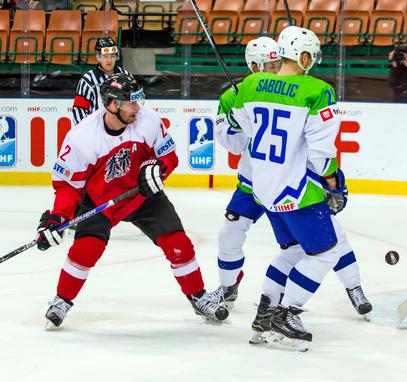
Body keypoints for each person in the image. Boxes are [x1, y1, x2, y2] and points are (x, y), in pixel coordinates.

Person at [36, 73, 228, 329]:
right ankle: (61, 300)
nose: (138, 108)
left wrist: (158, 168)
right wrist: (59, 217)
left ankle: (198, 296)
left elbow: (169, 155)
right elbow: (68, 186)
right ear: (113, 104)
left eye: (138, 101)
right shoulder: (82, 137)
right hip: (99, 200)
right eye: (131, 103)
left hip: (141, 194)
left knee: (179, 244)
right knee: (85, 250)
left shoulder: (147, 121)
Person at [211, 36, 372, 322]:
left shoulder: (250, 90)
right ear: (253, 65)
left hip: (279, 181)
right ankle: (231, 289)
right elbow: (235, 144)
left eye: (277, 60)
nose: (274, 67)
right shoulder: (240, 93)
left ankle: (354, 287)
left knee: (331, 238)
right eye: (268, 63)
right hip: (258, 182)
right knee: (232, 233)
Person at [72, 37, 129, 124]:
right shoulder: (88, 80)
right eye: (105, 56)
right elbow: (79, 110)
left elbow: (132, 103)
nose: (109, 60)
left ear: (116, 56)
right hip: (96, 131)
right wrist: (84, 133)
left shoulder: (125, 75)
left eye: (112, 56)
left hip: (120, 130)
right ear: (98, 57)